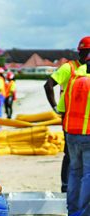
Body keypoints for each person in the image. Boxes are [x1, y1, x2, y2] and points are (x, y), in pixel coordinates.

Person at [44, 36, 90, 193]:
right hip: (71, 117)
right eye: (86, 52)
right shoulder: (69, 68)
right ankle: (66, 187)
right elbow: (48, 85)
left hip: (82, 118)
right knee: (70, 155)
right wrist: (55, 107)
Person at [61, 53, 90, 216]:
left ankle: (72, 213)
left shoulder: (73, 82)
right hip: (88, 134)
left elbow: (62, 108)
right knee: (88, 175)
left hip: (71, 133)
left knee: (74, 172)